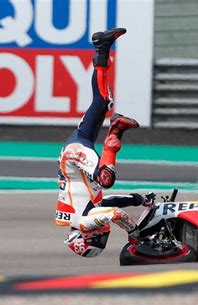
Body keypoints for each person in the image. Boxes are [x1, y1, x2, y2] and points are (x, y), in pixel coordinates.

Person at [56, 28, 154, 257]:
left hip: (73, 158)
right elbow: (109, 203)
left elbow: (116, 214)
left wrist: (135, 232)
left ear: (85, 237)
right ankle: (102, 45)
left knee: (106, 178)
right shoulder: (85, 213)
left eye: (98, 239)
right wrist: (139, 199)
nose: (103, 235)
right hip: (72, 154)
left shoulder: (83, 223)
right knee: (102, 101)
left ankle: (116, 130)